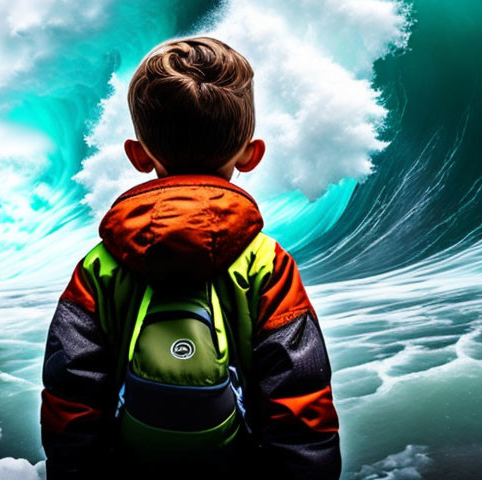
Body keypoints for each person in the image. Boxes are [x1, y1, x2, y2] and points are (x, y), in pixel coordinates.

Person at [41, 37, 340, 478]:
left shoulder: (100, 266)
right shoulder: (267, 264)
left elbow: (71, 394)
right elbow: (299, 395)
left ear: (138, 156)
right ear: (251, 155)